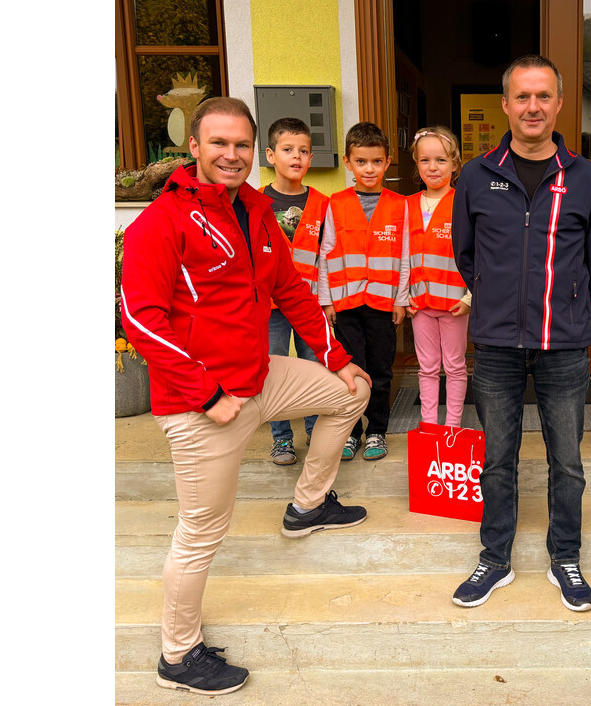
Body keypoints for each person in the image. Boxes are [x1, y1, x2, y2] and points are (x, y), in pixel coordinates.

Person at [120, 97, 373, 696]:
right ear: (195, 148)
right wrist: (206, 395)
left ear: (252, 149)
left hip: (260, 377)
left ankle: (307, 506)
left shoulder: (255, 210)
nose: (230, 155)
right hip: (204, 403)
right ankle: (177, 657)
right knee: (202, 531)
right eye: (218, 144)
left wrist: (336, 359)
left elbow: (292, 290)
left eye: (240, 145)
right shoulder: (163, 221)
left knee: (348, 394)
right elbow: (140, 319)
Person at [450, 54, 591, 612]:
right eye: (522, 96)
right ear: (506, 105)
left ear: (560, 104)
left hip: (563, 346)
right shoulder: (475, 174)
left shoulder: (587, 177)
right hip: (494, 345)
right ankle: (494, 559)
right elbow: (464, 255)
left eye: (543, 96)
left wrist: (560, 304)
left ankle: (565, 554)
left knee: (567, 460)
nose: (533, 106)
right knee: (497, 459)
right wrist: (499, 301)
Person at [317, 122, 410, 462]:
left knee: (380, 369)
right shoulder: (335, 203)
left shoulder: (400, 205)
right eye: (361, 162)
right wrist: (325, 299)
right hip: (345, 303)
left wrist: (401, 299)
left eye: (375, 162)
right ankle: (351, 432)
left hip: (384, 304)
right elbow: (326, 253)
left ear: (387, 162)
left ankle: (376, 432)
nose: (368, 169)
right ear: (348, 162)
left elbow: (404, 256)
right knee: (350, 370)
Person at [259, 117, 330, 465]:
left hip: (309, 304)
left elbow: (329, 256)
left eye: (303, 151)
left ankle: (316, 433)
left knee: (314, 368)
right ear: (271, 155)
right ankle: (282, 439)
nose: (296, 157)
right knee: (273, 370)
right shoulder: (254, 202)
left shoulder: (321, 202)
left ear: (311, 158)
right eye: (288, 150)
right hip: (268, 306)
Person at [404, 126, 472, 426]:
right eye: (425, 160)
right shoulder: (405, 206)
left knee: (455, 366)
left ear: (455, 164)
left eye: (441, 160)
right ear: (417, 165)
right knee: (427, 367)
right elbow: (399, 257)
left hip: (456, 303)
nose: (433, 167)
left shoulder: (464, 204)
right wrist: (402, 296)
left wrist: (471, 297)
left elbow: (477, 254)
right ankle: (429, 425)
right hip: (419, 304)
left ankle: (453, 425)